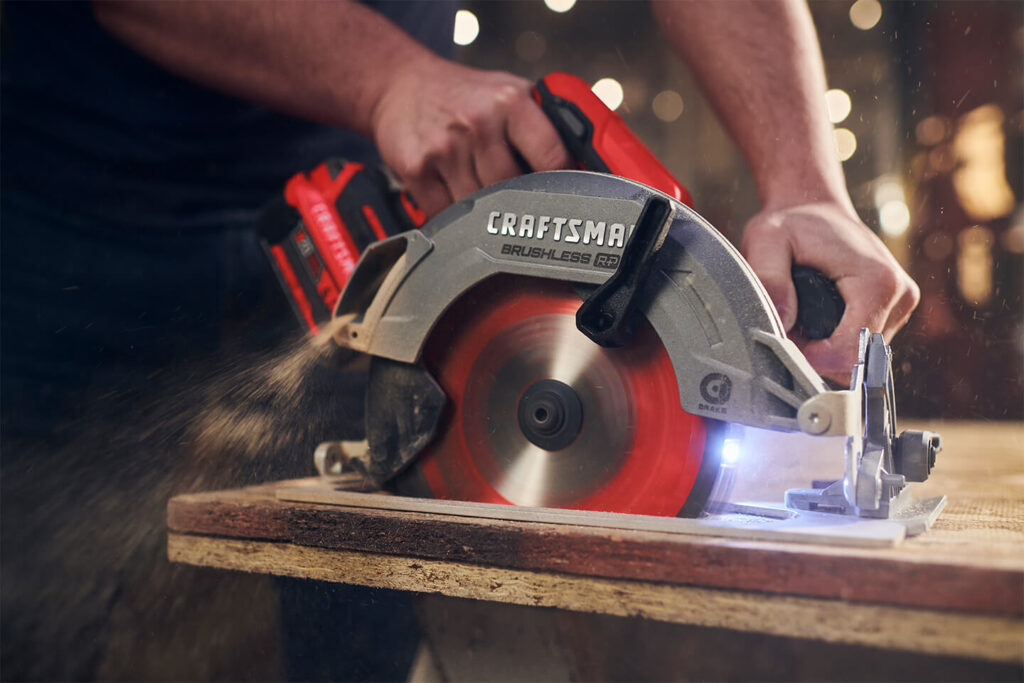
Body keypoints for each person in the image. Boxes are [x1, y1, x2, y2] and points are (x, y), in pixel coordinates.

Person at [0, 0, 919, 679]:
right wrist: (386, 77)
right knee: (45, 602)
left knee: (361, 599)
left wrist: (804, 181)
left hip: (383, 181)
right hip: (75, 200)